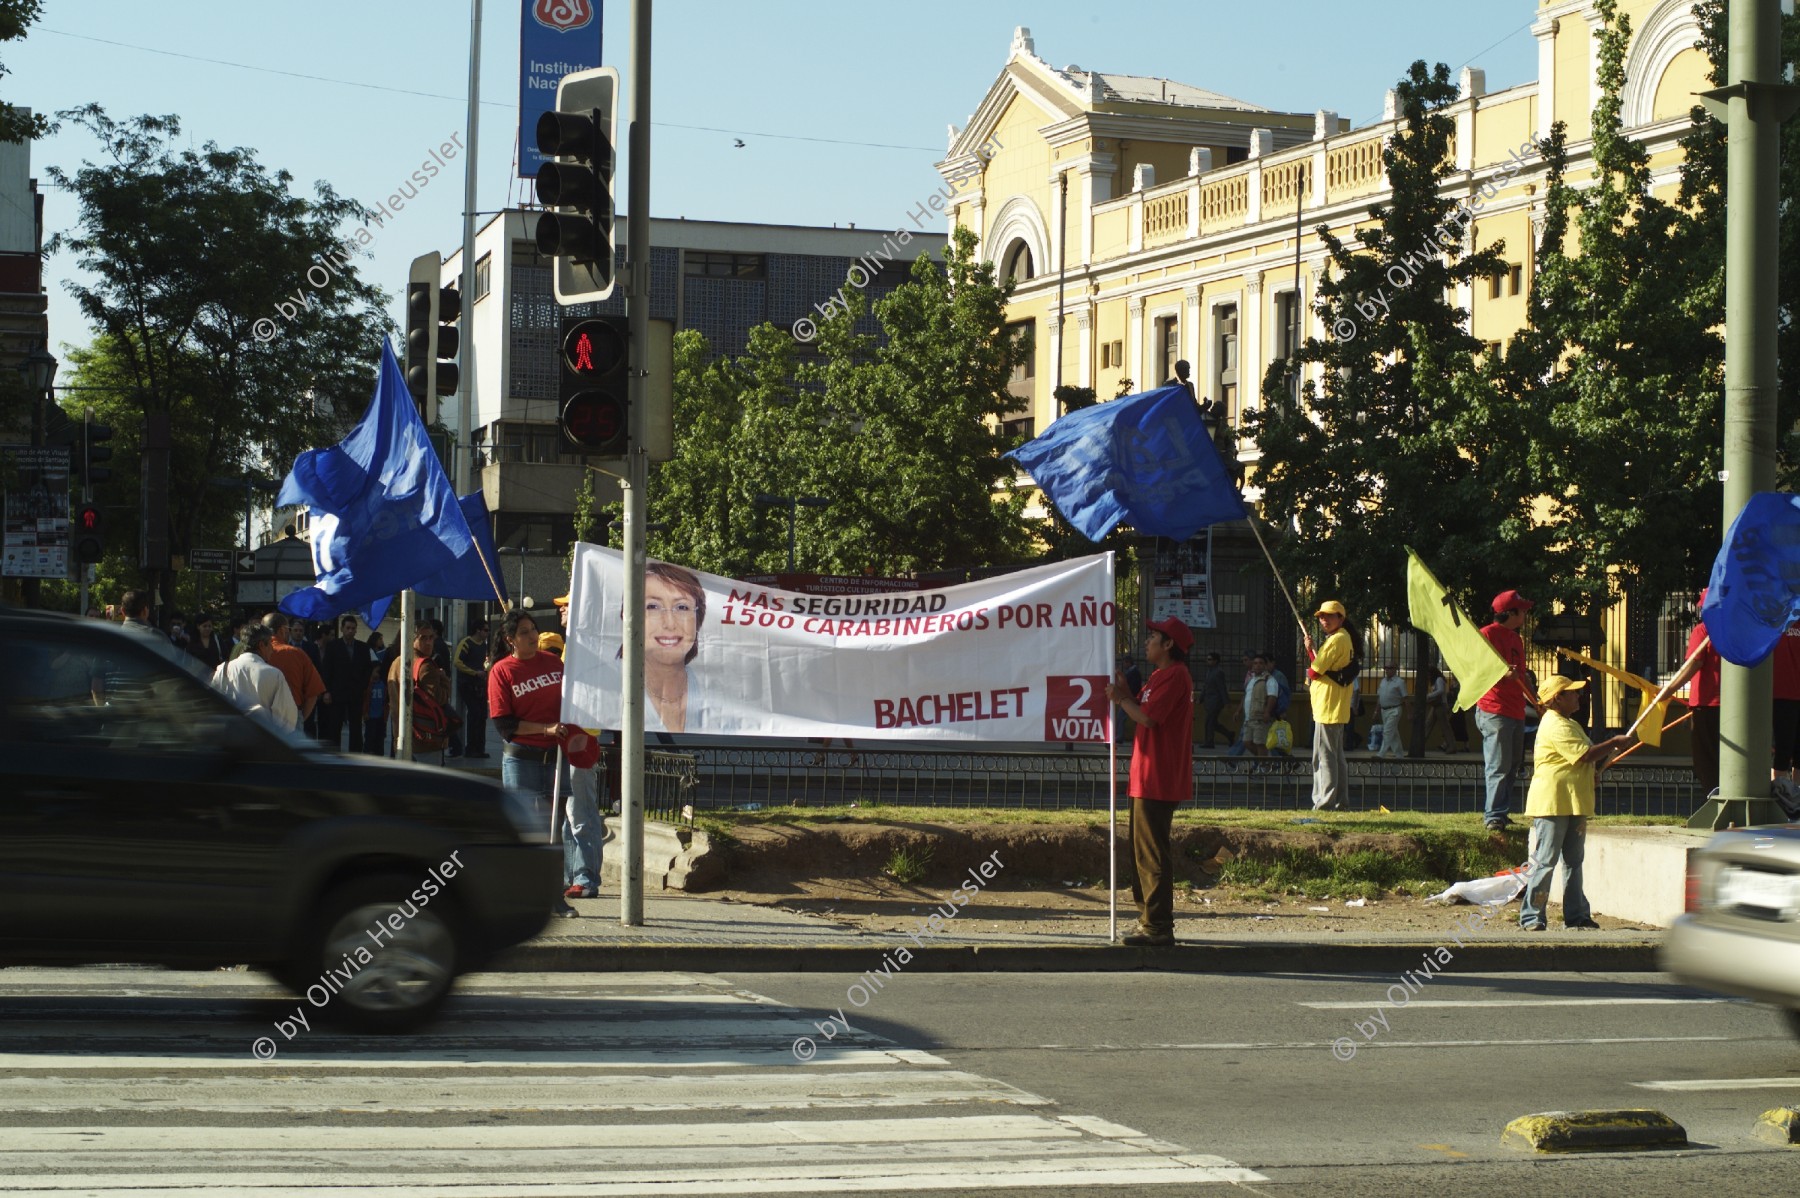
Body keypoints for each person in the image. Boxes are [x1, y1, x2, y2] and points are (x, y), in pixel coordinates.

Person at [1105, 616, 1195, 947]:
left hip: (1158, 777)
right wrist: (1125, 691)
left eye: (1153, 636)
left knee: (1152, 852)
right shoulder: (1160, 675)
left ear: (1169, 644)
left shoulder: (1174, 676)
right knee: (1142, 851)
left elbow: (1147, 717)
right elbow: (1141, 705)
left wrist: (1120, 698)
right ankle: (1148, 919)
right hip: (1147, 775)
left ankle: (1157, 926)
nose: (1147, 642)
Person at [1519, 676, 1634, 931]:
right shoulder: (1555, 724)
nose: (1578, 696)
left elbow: (1584, 758)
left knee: (1573, 860)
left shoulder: (1568, 723)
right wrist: (1614, 742)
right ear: (1557, 698)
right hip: (1553, 802)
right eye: (1571, 693)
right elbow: (1584, 754)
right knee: (1546, 860)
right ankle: (1531, 916)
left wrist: (1593, 772)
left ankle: (1577, 916)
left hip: (1572, 801)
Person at [488, 609, 578, 918]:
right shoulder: (502, 671)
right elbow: (504, 724)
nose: (532, 636)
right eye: (524, 632)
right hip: (521, 760)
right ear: (509, 639)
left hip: (554, 758)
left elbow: (573, 702)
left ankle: (556, 896)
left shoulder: (554, 664)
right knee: (526, 829)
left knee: (555, 830)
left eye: (533, 630)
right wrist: (545, 729)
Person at [554, 594, 603, 900]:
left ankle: (585, 878)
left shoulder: (586, 648)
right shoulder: (572, 646)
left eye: (567, 604)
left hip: (581, 738)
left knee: (581, 813)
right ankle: (573, 874)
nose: (561, 608)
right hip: (566, 738)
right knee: (569, 814)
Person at [1476, 590, 1535, 831]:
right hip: (1495, 709)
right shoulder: (1486, 635)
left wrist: (1536, 700)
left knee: (1512, 766)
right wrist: (1502, 674)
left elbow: (1522, 676)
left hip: (1515, 710)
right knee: (1498, 765)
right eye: (1522, 610)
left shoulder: (1515, 639)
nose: (1525, 614)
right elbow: (1477, 670)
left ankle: (1501, 812)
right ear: (1510, 613)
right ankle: (1493, 816)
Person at [1660, 589, 1724, 796]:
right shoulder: (1739, 630)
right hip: (1734, 706)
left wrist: (1668, 690)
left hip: (1707, 703)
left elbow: (1694, 663)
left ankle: (1714, 797)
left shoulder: (1704, 630)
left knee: (1706, 757)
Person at [1305, 600, 1356, 810]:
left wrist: (1309, 669)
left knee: (1324, 757)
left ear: (1340, 618)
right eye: (1321, 616)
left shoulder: (1337, 640)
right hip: (1334, 706)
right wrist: (1311, 651)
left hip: (1327, 706)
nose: (1324, 619)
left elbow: (1315, 671)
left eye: (1329, 616)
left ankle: (1324, 802)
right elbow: (1322, 667)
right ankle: (1340, 802)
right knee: (1336, 757)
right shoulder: (1342, 639)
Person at [644, 561, 706, 733]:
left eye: (682, 607)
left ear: (698, 618)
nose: (669, 624)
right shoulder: (601, 689)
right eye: (653, 607)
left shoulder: (720, 696)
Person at [210, 623, 300, 732]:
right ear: (262, 645)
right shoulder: (274, 674)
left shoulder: (223, 669)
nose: (272, 649)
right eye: (270, 644)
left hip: (232, 738)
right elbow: (287, 718)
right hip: (263, 740)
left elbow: (213, 706)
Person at [387, 621, 454, 759]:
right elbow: (440, 699)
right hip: (425, 738)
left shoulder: (397, 662)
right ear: (412, 639)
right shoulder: (425, 665)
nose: (429, 642)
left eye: (431, 638)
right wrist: (444, 679)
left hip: (401, 736)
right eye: (423, 638)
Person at [261, 612, 327, 729]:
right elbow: (313, 693)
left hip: (259, 718)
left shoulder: (252, 654)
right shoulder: (296, 653)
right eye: (289, 629)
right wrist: (299, 717)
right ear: (282, 630)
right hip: (291, 716)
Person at [455, 617, 493, 760]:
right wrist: (474, 672)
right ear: (477, 630)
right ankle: (471, 748)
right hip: (467, 684)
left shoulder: (483, 645)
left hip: (479, 684)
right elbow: (457, 662)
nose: (487, 633)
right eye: (485, 630)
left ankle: (479, 748)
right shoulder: (466, 643)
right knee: (475, 714)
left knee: (482, 715)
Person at [1774, 621, 1800, 782]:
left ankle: (1795, 796)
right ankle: (1779, 792)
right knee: (1782, 749)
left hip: (1792, 694)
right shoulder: (1774, 621)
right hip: (1781, 695)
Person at [1241, 653, 1275, 758]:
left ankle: (1263, 767)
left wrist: (1267, 712)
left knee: (1260, 743)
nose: (1258, 665)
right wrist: (1238, 711)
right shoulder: (1251, 680)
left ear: (1265, 665)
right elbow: (1246, 696)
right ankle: (1265, 762)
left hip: (1260, 718)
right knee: (1246, 742)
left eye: (1261, 663)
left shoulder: (1269, 679)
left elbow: (1272, 697)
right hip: (1249, 717)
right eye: (1255, 663)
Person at [362, 631, 389, 755]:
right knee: (369, 739)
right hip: (371, 717)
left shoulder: (383, 685)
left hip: (380, 718)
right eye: (380, 639)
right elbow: (366, 699)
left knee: (379, 740)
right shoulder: (369, 686)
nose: (381, 641)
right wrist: (365, 713)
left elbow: (385, 702)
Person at [1377, 662, 1408, 760]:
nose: (1388, 670)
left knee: (1387, 731)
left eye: (1390, 668)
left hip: (1394, 710)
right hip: (1384, 710)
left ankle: (1381, 754)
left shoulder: (1399, 682)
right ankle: (1399, 755)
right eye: (1386, 668)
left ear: (1395, 669)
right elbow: (1380, 697)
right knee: (1393, 733)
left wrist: (1410, 712)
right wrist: (1375, 711)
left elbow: (1405, 697)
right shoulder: (1383, 681)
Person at [1199, 652, 1229, 749]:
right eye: (1207, 659)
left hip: (1215, 701)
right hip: (1209, 701)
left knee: (1209, 722)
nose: (1208, 661)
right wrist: (1200, 698)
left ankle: (1209, 742)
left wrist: (1226, 702)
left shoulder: (1218, 672)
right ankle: (1229, 734)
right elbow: (1205, 686)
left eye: (1210, 659)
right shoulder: (1209, 671)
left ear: (1216, 661)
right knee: (1213, 723)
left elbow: (1222, 688)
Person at [1421, 668, 1451, 754]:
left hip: (1441, 705)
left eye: (1429, 674)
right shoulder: (1436, 680)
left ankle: (1451, 745)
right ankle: (1421, 743)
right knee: (1428, 724)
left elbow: (1440, 690)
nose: (1428, 676)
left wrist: (1429, 696)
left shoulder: (1439, 679)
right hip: (1436, 705)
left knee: (1444, 726)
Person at [1444, 670, 1471, 752]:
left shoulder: (1460, 684)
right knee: (1454, 725)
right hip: (1454, 706)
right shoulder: (1453, 683)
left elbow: (1460, 695)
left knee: (1457, 725)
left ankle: (1447, 743)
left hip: (1459, 707)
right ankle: (1447, 743)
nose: (1452, 676)